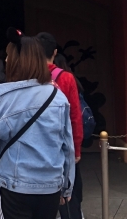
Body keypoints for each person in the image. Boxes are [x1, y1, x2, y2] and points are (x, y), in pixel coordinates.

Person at [0, 30, 74, 219]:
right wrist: (66, 187)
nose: (6, 60)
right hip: (50, 186)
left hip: (14, 183)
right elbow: (67, 147)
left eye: (9, 56)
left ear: (17, 61)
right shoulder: (58, 97)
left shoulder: (0, 97)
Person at [35, 33, 84, 219]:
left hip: (36, 145)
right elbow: (75, 117)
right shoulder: (67, 78)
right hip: (62, 145)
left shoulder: (29, 76)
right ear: (55, 52)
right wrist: (76, 149)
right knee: (69, 196)